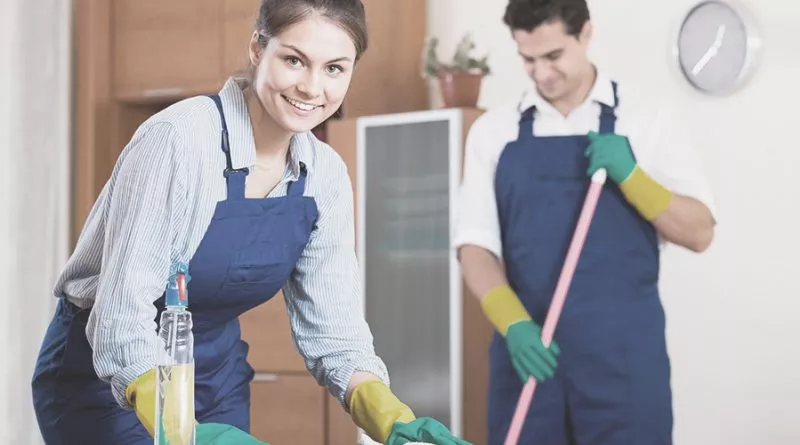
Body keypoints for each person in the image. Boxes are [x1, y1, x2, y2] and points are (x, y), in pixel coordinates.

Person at [31, 1, 470, 444]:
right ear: (258, 49)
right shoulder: (179, 141)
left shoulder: (325, 176)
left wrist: (391, 417)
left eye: (335, 68)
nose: (312, 87)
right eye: (294, 60)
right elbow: (121, 318)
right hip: (110, 378)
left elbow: (335, 335)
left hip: (213, 373)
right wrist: (181, 428)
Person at [454, 0, 718, 444]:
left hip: (624, 368)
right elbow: (475, 246)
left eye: (553, 56)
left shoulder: (647, 118)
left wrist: (633, 178)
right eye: (527, 59)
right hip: (531, 358)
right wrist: (512, 323)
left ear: (586, 34)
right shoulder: (493, 131)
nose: (540, 74)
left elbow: (700, 232)